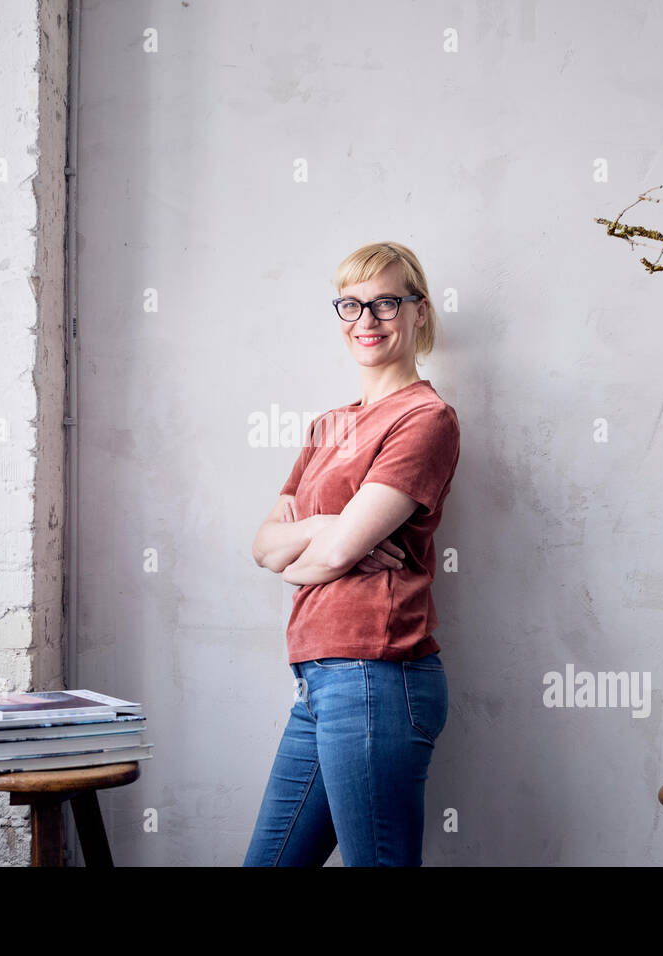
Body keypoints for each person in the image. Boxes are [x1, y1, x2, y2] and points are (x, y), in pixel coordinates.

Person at [244, 241, 461, 866]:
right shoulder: (329, 424)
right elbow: (264, 548)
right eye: (351, 305)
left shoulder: (426, 419)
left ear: (419, 311)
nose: (367, 320)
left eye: (386, 302)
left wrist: (320, 547)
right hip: (317, 679)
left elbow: (320, 558)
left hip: (377, 675)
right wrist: (335, 529)